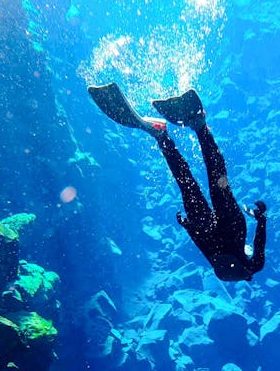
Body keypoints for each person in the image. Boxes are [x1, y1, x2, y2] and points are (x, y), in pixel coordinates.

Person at [88, 83, 267, 281]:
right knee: (187, 183)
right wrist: (189, 227)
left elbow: (256, 245)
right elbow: (206, 248)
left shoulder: (253, 265)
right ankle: (162, 135)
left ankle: (197, 126)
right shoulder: (241, 266)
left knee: (217, 181)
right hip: (209, 234)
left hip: (227, 230)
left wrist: (261, 219)